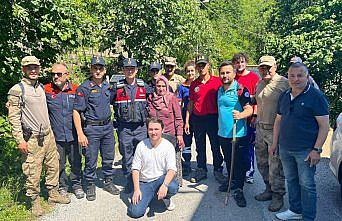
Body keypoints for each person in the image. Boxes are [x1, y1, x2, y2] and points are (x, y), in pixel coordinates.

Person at [7, 56, 70, 216]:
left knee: (54, 165)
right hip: (32, 139)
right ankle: (34, 202)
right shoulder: (17, 90)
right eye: (29, 68)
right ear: (23, 70)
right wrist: (20, 140)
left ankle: (53, 194)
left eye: (35, 67)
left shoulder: (41, 87)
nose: (33, 70)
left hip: (48, 135)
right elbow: (13, 118)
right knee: (32, 171)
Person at [272, 62, 329, 221]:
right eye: (292, 75)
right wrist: (275, 143)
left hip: (306, 150)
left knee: (307, 185)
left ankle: (308, 217)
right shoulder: (284, 95)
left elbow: (324, 126)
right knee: (291, 180)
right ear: (288, 77)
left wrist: (316, 150)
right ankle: (295, 210)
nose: (295, 79)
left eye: (300, 75)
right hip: (285, 148)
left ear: (307, 77)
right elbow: (278, 120)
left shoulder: (316, 97)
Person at [73, 56, 119, 201]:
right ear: (91, 69)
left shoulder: (108, 86)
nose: (98, 71)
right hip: (92, 129)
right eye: (95, 68)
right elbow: (76, 111)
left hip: (107, 127)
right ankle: (90, 184)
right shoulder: (84, 88)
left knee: (108, 157)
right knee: (91, 159)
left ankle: (108, 181)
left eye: (100, 68)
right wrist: (80, 133)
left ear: (105, 70)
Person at [254, 56, 289, 212]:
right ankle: (268, 189)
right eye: (262, 67)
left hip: (276, 130)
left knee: (275, 165)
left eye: (268, 67)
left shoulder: (284, 82)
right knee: (262, 162)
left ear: (275, 66)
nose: (265, 70)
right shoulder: (260, 83)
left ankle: (278, 195)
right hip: (260, 128)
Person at [45, 63, 84, 199]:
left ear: (67, 75)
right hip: (56, 136)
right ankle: (62, 186)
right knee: (59, 163)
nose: (55, 77)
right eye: (53, 74)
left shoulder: (76, 90)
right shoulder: (46, 90)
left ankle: (76, 184)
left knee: (76, 161)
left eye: (59, 74)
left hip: (73, 134)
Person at [217, 61, 253, 207]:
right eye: (222, 73)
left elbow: (249, 109)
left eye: (227, 72)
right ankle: (231, 181)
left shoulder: (240, 89)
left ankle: (239, 189)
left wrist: (241, 115)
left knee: (239, 162)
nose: (225, 75)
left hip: (237, 134)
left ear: (233, 73)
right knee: (229, 159)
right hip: (223, 133)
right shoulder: (219, 90)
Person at [112, 58, 151, 194]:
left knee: (142, 155)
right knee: (127, 155)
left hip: (141, 128)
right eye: (127, 68)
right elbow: (108, 102)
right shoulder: (117, 87)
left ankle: (141, 180)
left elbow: (153, 100)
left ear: (136, 70)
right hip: (124, 128)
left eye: (132, 68)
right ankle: (130, 181)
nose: (130, 71)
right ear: (123, 70)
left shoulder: (143, 86)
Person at [185, 55, 225, 184]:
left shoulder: (217, 81)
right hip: (198, 119)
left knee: (215, 145)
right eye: (199, 65)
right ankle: (201, 169)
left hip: (213, 118)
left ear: (208, 66)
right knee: (200, 145)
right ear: (196, 67)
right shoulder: (194, 84)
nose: (201, 68)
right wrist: (187, 121)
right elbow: (190, 103)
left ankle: (218, 169)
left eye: (204, 65)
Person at [128, 117, 179, 218]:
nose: (153, 132)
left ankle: (165, 197)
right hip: (144, 182)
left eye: (156, 129)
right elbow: (135, 169)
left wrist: (164, 185)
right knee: (135, 212)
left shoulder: (168, 146)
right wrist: (137, 189)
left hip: (160, 179)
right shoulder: (141, 146)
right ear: (147, 130)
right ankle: (150, 197)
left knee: (173, 187)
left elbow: (172, 170)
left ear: (162, 130)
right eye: (150, 129)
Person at [148, 75, 184, 184]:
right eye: (158, 86)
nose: (161, 88)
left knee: (172, 160)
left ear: (167, 86)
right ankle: (160, 182)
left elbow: (178, 117)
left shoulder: (171, 98)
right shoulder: (151, 98)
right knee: (158, 161)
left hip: (171, 134)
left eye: (163, 86)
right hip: (156, 135)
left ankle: (175, 183)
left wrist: (179, 134)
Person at [232, 52, 259, 184]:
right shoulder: (232, 77)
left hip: (249, 118)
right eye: (237, 62)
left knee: (248, 146)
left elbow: (257, 99)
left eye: (242, 62)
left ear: (246, 63)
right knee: (235, 145)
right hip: (235, 118)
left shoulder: (253, 77)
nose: (240, 64)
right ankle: (235, 170)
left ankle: (249, 172)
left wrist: (254, 115)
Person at [177, 60, 196, 176]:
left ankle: (201, 166)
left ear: (196, 72)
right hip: (186, 116)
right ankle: (187, 164)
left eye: (192, 71)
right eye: (188, 71)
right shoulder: (182, 87)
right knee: (187, 141)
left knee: (200, 142)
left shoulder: (199, 84)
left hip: (198, 116)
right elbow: (179, 103)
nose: (190, 73)